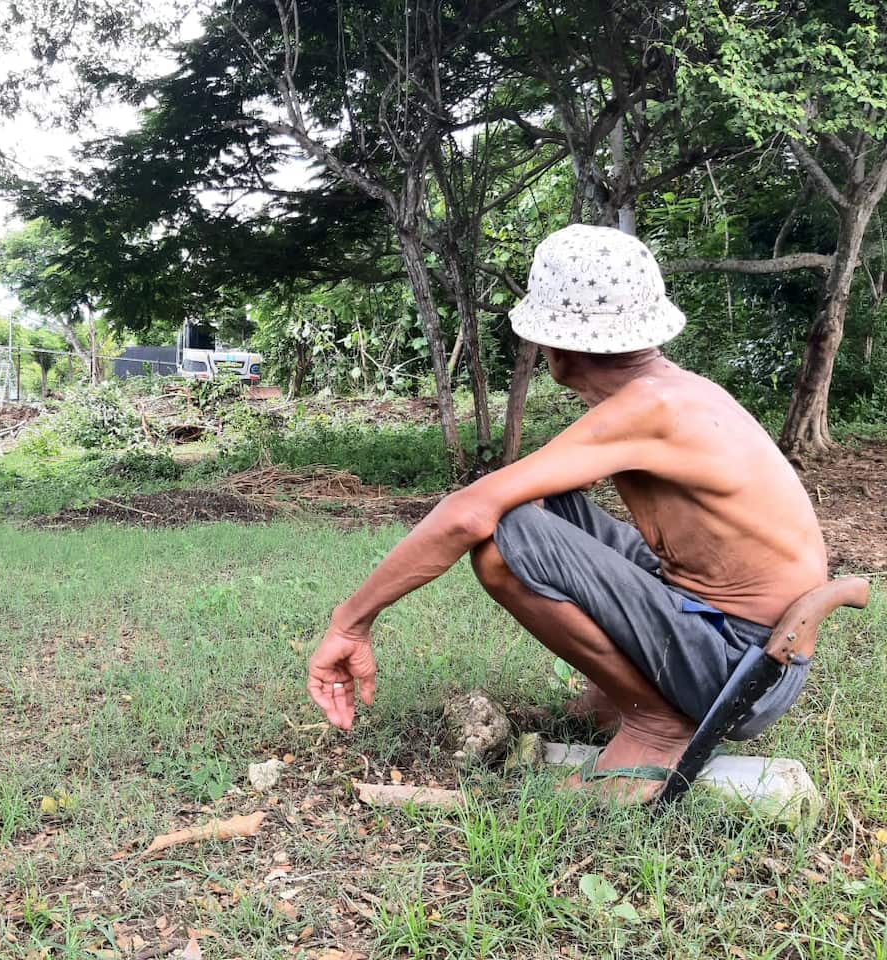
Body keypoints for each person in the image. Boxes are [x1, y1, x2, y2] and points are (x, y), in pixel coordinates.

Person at [306, 224, 827, 804]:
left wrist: (349, 621)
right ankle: (621, 696)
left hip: (743, 671)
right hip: (754, 651)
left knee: (507, 535)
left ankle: (658, 724)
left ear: (555, 346)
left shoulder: (650, 407)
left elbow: (467, 514)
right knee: (535, 507)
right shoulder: (674, 392)